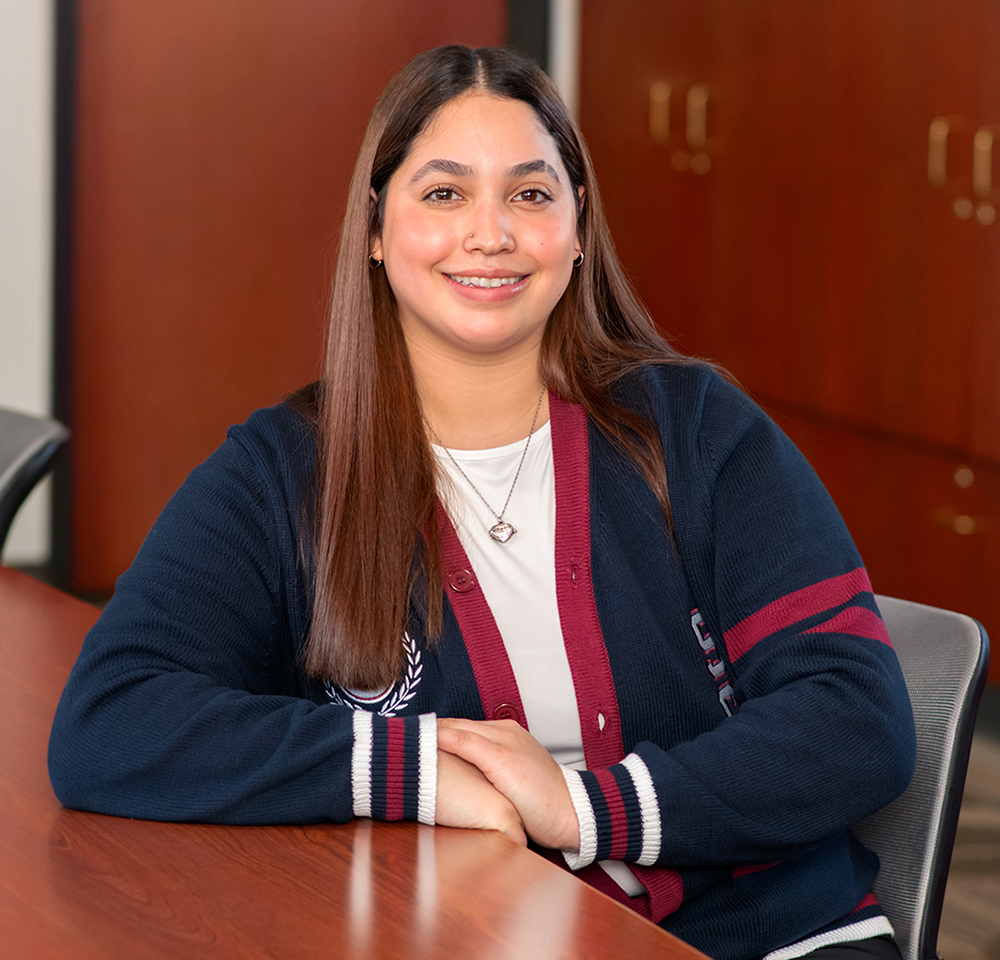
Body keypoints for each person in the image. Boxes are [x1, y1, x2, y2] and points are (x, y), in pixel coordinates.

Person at [48, 45, 915, 960]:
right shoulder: (287, 472)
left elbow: (857, 716)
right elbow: (111, 719)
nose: (490, 233)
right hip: (466, 934)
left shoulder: (694, 428)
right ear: (377, 231)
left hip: (768, 937)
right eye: (444, 193)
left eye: (532, 194)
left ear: (578, 229)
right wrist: (418, 770)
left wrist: (582, 806)